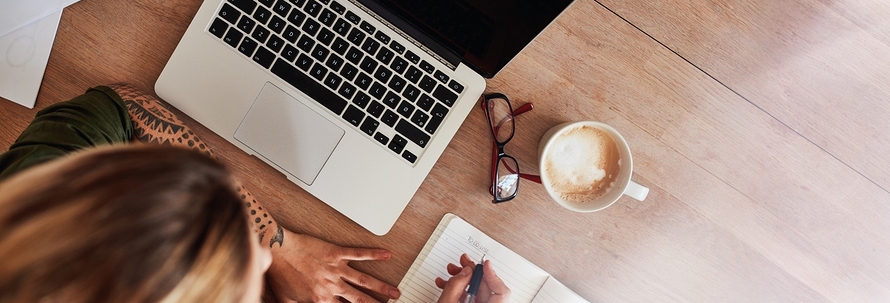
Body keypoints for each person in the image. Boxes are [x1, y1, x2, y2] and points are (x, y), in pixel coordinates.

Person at [0, 85, 512, 302]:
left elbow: (118, 107)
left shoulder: (26, 198)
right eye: (246, 283)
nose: (267, 265)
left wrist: (277, 241)